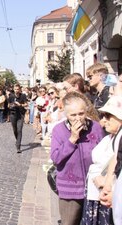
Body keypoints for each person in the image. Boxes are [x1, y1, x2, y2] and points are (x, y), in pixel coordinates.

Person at [50, 91, 104, 225]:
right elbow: (56, 158)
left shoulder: (95, 127)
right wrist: (72, 139)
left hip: (94, 187)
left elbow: (104, 152)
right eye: (73, 115)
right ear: (66, 114)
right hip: (70, 188)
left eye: (81, 113)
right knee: (69, 221)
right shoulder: (59, 130)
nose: (78, 118)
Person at [81, 96, 122, 225]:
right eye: (103, 116)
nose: (104, 120)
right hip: (97, 194)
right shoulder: (110, 136)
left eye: (108, 116)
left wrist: (109, 186)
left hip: (109, 197)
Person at [8, 84, 27, 153]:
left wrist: (20, 105)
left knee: (19, 130)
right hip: (13, 115)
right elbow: (8, 105)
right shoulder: (11, 96)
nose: (16, 90)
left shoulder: (23, 95)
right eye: (15, 89)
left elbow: (26, 104)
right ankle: (17, 140)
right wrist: (12, 105)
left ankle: (18, 146)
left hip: (20, 115)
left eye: (18, 89)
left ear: (20, 89)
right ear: (13, 89)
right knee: (15, 130)